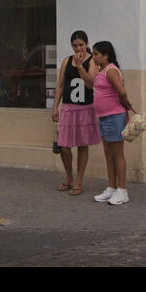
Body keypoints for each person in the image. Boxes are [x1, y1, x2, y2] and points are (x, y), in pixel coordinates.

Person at [83, 40, 137, 206]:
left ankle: (122, 190)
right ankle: (112, 187)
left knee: (117, 153)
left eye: (97, 54)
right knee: (108, 153)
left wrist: (125, 102)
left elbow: (121, 91)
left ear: (106, 55)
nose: (94, 57)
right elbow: (92, 85)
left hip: (114, 117)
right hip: (104, 117)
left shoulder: (111, 70)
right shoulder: (102, 71)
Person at [52, 30, 99, 195]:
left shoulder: (92, 61)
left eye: (81, 45)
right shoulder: (67, 61)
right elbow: (60, 85)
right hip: (68, 107)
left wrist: (80, 66)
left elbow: (90, 84)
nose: (78, 48)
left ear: (86, 44)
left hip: (85, 108)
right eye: (74, 45)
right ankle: (69, 175)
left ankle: (79, 179)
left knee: (82, 144)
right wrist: (55, 107)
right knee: (63, 145)